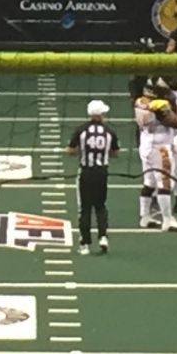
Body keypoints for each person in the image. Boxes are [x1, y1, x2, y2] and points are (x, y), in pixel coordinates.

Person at [135, 83, 177, 233]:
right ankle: (167, 219)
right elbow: (176, 124)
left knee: (149, 182)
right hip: (160, 147)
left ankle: (145, 217)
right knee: (165, 182)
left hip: (146, 143)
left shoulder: (140, 102)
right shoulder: (159, 105)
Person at [72, 98, 117, 254]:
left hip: (86, 172)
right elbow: (115, 152)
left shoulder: (81, 130)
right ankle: (103, 236)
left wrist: (82, 152)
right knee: (100, 206)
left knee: (85, 208)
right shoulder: (109, 131)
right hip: (102, 173)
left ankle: (85, 243)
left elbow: (71, 149)